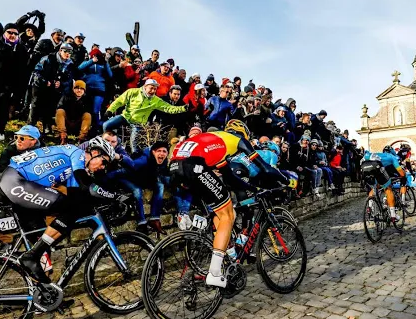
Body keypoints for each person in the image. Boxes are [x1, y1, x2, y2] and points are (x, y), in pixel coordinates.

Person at [169, 119, 287, 287]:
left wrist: (252, 189)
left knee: (219, 212)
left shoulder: (215, 142)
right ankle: (215, 273)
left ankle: (228, 254)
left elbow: (232, 179)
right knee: (228, 215)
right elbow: (266, 169)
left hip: (175, 168)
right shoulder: (238, 140)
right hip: (192, 166)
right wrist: (285, 180)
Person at [0, 136, 118, 287]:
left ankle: (46, 294)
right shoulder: (76, 154)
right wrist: (114, 197)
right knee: (70, 207)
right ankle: (30, 257)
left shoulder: (74, 167)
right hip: (15, 181)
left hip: (19, 183)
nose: (102, 168)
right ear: (93, 152)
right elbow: (87, 186)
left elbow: (79, 194)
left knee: (46, 240)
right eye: (104, 162)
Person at [104, 79, 187, 153]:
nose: (153, 91)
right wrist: (110, 110)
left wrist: (183, 108)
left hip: (138, 123)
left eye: (155, 89)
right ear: (145, 87)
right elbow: (119, 101)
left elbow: (169, 108)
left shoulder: (156, 100)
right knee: (106, 125)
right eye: (151, 88)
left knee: (134, 144)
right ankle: (109, 143)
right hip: (125, 117)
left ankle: (134, 159)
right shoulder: (133, 92)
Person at [109, 141, 170, 235]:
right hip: (127, 177)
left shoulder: (163, 160)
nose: (162, 153)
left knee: (160, 185)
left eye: (164, 151)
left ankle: (154, 219)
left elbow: (163, 174)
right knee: (137, 191)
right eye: (159, 151)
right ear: (153, 152)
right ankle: (142, 223)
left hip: (142, 179)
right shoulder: (144, 159)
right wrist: (106, 178)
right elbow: (129, 166)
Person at [29, 42, 74, 134]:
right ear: (60, 50)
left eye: (70, 52)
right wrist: (45, 81)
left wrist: (61, 84)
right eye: (65, 51)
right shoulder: (48, 58)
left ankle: (47, 126)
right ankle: (30, 126)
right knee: (36, 105)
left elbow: (69, 79)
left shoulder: (70, 64)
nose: (67, 54)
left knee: (50, 107)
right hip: (39, 85)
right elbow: (36, 72)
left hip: (54, 88)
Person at [361, 146, 407, 221]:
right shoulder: (392, 157)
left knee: (375, 188)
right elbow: (401, 173)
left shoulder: (378, 154)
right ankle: (393, 215)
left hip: (365, 168)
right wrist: (404, 175)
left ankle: (369, 208)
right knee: (388, 188)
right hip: (377, 169)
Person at [77, 48, 112, 129]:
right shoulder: (88, 62)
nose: (96, 57)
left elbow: (110, 74)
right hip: (88, 88)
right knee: (87, 109)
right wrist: (91, 61)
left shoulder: (103, 64)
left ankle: (96, 127)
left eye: (97, 55)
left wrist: (105, 63)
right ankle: (85, 126)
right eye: (94, 55)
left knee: (96, 109)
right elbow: (79, 68)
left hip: (100, 89)